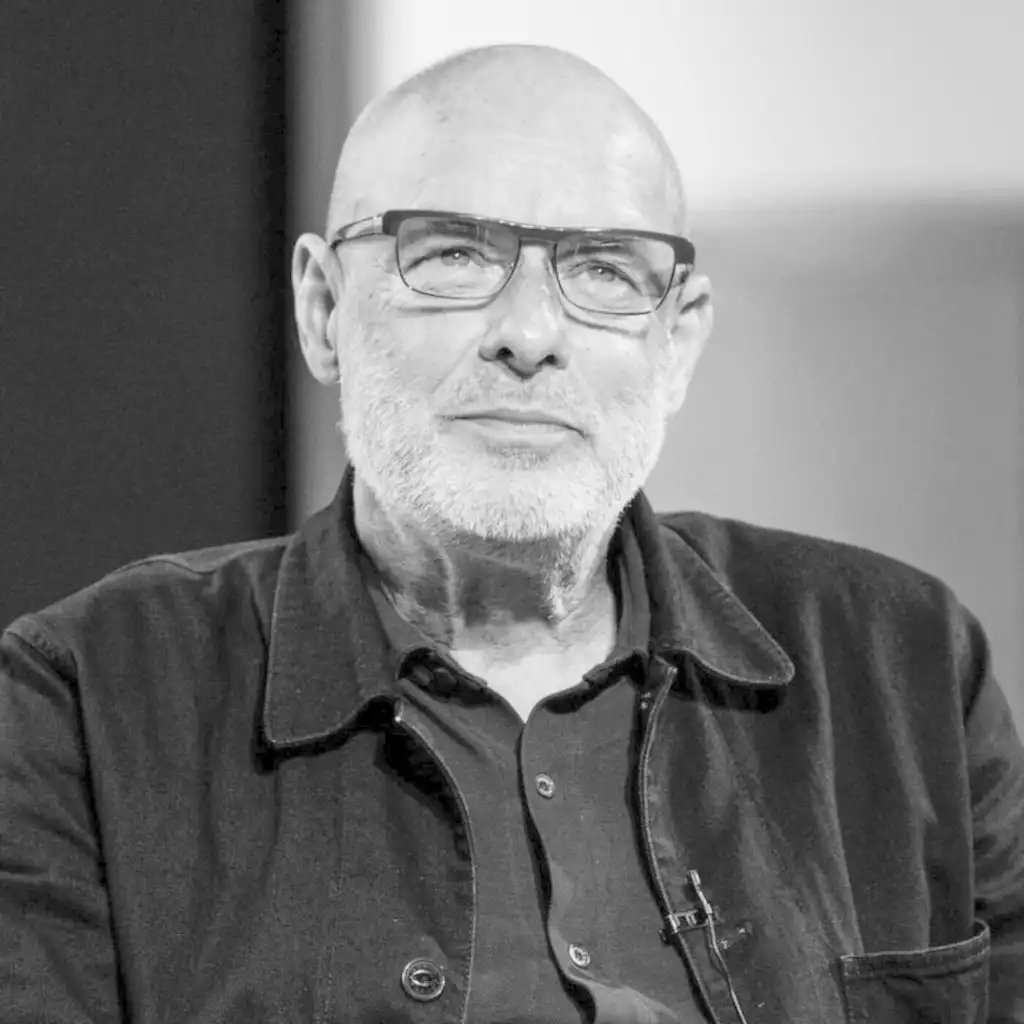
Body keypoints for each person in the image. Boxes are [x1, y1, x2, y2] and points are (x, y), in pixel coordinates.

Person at [1, 42, 1021, 1024]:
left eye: (605, 270)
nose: (529, 334)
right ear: (322, 310)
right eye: (452, 255)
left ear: (676, 343)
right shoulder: (89, 702)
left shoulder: (908, 668)